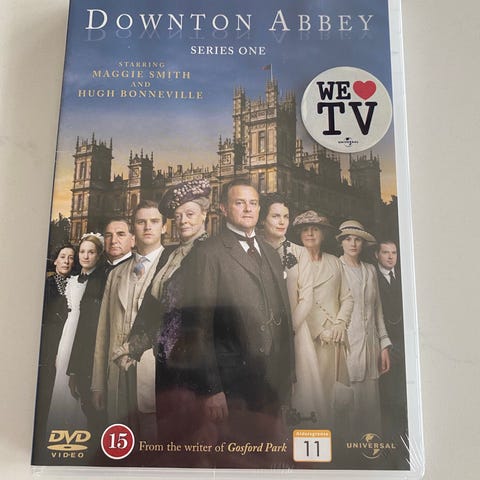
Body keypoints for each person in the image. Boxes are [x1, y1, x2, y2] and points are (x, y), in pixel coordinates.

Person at [182, 179, 294, 459]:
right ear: (223, 208)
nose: (248, 209)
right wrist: (212, 389)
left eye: (253, 203)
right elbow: (198, 326)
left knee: (269, 459)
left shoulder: (270, 252)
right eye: (239, 203)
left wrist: (285, 379)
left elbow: (283, 317)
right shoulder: (208, 253)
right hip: (231, 386)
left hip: (272, 382)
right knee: (235, 461)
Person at [119, 179, 211, 458]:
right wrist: (132, 346)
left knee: (197, 443)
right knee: (170, 440)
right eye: (178, 216)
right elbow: (154, 304)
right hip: (167, 363)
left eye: (190, 214)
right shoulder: (171, 254)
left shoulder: (212, 252)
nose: (183, 221)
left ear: (204, 215)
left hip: (195, 366)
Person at [91, 200, 172, 439]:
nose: (147, 227)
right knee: (122, 444)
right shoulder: (116, 274)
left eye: (154, 221)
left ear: (164, 227)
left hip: (155, 374)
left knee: (153, 444)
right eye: (140, 222)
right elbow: (103, 332)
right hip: (118, 373)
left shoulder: (175, 268)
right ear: (133, 229)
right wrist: (98, 383)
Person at [259, 194, 324, 422]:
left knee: (300, 397)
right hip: (261, 333)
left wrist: (288, 330)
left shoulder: (299, 252)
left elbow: (306, 297)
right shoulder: (254, 250)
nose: (282, 222)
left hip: (295, 333)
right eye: (275, 216)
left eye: (285, 217)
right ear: (263, 219)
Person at [291, 211, 353, 428]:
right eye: (305, 229)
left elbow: (347, 297)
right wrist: (319, 330)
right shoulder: (293, 263)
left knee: (338, 397)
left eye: (315, 229)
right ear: (299, 234)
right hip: (310, 340)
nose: (310, 233)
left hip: (336, 340)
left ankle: (336, 440)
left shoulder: (335, 262)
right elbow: (295, 303)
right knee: (313, 397)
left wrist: (340, 323)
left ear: (324, 234)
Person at [337, 220, 391, 436]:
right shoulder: (335, 267)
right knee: (349, 413)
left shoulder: (370, 271)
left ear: (363, 244)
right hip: (346, 350)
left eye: (357, 240)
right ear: (341, 242)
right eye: (348, 239)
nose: (353, 244)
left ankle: (370, 453)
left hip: (371, 350)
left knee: (371, 415)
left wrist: (384, 345)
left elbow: (378, 311)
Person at [47, 234, 103, 431]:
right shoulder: (71, 281)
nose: (85, 256)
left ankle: (78, 430)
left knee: (79, 387)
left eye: (91, 252)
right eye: (82, 252)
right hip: (67, 334)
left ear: (98, 255)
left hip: (84, 336)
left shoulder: (99, 280)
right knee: (61, 380)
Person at [35, 244, 75, 441]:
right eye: (63, 256)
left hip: (69, 342)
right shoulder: (46, 285)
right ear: (56, 260)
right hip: (51, 344)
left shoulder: (75, 283)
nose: (66, 261)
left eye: (71, 257)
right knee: (47, 389)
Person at [375, 240, 408, 445]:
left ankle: (403, 440)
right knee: (387, 395)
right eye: (385, 252)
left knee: (402, 394)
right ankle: (389, 441)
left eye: (393, 253)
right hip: (383, 344)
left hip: (404, 344)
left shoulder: (403, 277)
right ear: (376, 255)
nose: (390, 257)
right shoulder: (373, 277)